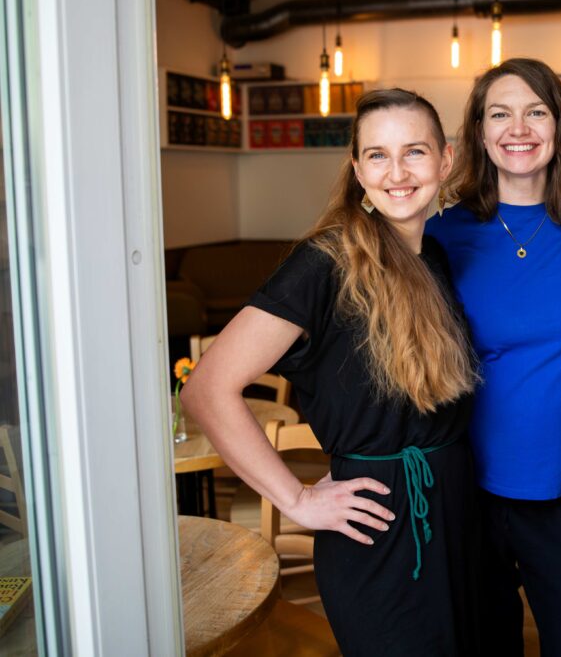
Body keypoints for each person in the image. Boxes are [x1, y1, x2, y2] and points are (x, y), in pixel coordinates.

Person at [181, 89, 481, 657]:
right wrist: (295, 499)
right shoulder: (324, 262)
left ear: (445, 160)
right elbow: (207, 390)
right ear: (357, 169)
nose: (397, 172)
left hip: (455, 515)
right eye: (377, 155)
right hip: (377, 526)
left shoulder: (434, 257)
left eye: (414, 152)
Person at [426, 58, 561, 656]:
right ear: (479, 132)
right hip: (468, 493)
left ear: (560, 127)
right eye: (500, 114)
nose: (518, 128)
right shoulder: (441, 236)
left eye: (536, 112)